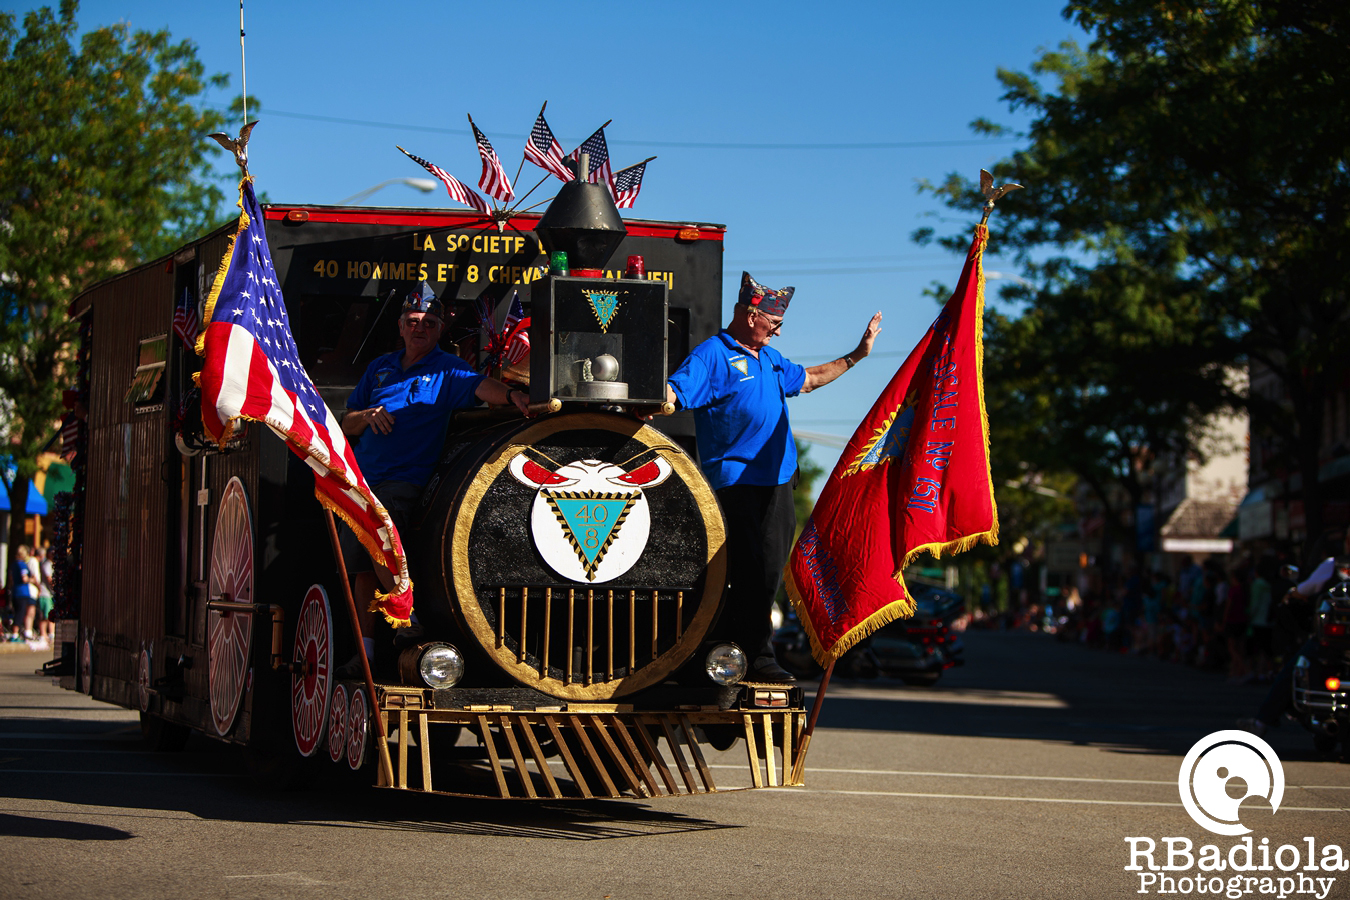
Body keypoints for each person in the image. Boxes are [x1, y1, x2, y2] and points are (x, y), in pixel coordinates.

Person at [665, 271, 882, 683]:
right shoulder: (713, 354)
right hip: (737, 485)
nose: (778, 332)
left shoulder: (770, 359)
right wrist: (656, 401)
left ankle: (741, 656)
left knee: (768, 573)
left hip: (779, 482)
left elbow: (812, 379)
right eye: (774, 323)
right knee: (744, 571)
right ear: (751, 315)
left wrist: (857, 355)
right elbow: (676, 391)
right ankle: (750, 659)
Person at [338, 283, 529, 672]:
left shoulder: (448, 369)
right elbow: (347, 422)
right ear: (401, 326)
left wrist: (512, 397)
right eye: (413, 321)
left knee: (381, 542)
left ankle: (407, 618)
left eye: (429, 322)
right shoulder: (380, 368)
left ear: (440, 329)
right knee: (361, 568)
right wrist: (368, 416)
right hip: (361, 480)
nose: (420, 327)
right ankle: (367, 653)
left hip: (404, 481)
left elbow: (480, 387)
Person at [1239, 532, 1350, 737]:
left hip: (1333, 642)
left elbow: (1303, 590)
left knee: (1293, 669)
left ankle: (1262, 722)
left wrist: (1291, 594)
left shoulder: (1333, 565)